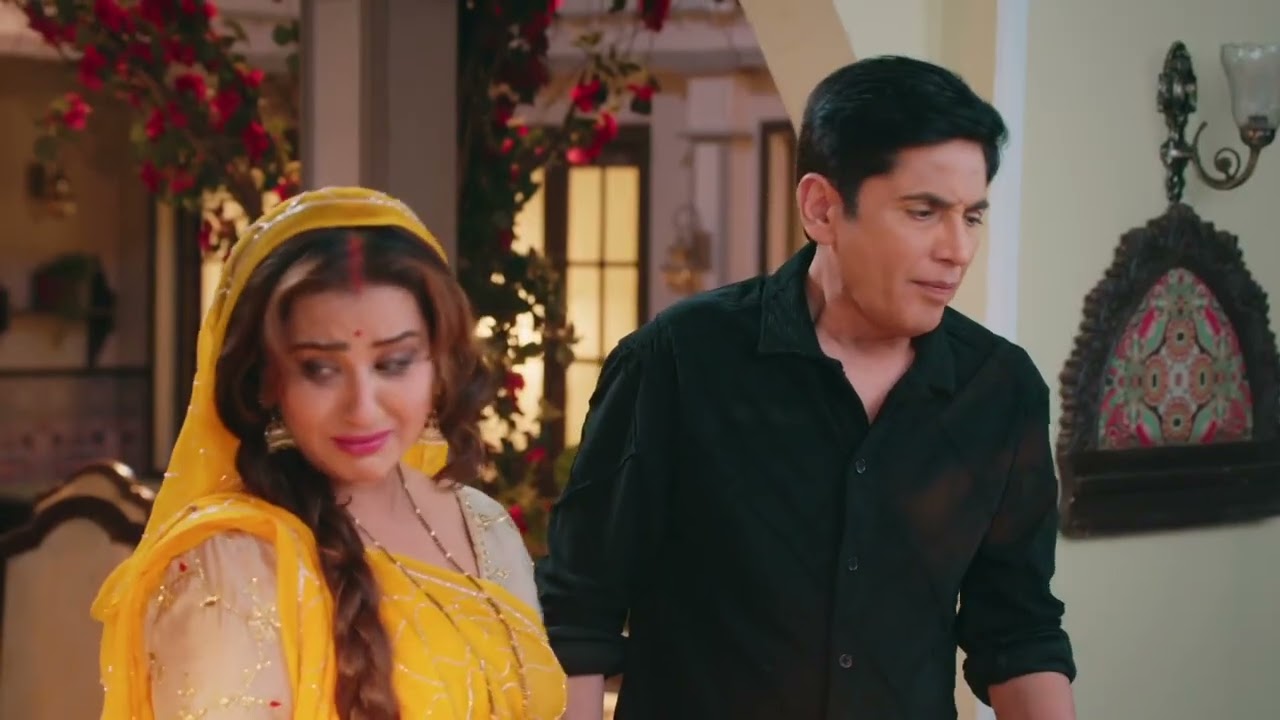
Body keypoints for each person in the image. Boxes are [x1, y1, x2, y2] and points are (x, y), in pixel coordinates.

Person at [537, 56, 1077, 720]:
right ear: (822, 208)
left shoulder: (1000, 389)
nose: (957, 249)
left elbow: (1018, 630)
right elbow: (579, 607)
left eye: (972, 217)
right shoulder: (678, 361)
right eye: (923, 212)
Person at [93, 187, 567, 719]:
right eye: (320, 369)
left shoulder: (484, 526)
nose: (362, 408)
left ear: (440, 363)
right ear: (266, 381)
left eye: (393, 363)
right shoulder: (229, 567)